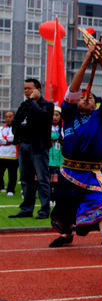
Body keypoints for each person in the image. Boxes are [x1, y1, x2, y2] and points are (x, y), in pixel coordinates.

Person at [49, 42, 102, 252]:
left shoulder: (100, 116)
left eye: (91, 98)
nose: (86, 97)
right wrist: (87, 60)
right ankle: (66, 233)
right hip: (68, 172)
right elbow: (73, 90)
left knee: (100, 207)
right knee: (63, 208)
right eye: (83, 96)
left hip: (92, 173)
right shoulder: (69, 116)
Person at [10, 78, 54, 219]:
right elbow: (16, 123)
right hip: (24, 145)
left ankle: (44, 209)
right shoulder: (24, 105)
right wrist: (22, 131)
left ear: (37, 90)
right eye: (25, 89)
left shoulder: (47, 105)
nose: (27, 91)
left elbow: (41, 117)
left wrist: (34, 101)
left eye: (30, 88)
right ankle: (26, 208)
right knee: (25, 178)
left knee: (42, 178)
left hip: (38, 147)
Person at [0, 111, 18, 196]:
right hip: (2, 154)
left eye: (10, 117)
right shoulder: (1, 128)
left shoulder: (16, 128)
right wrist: (8, 140)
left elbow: (14, 139)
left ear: (13, 117)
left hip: (13, 154)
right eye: (6, 117)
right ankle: (1, 187)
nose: (8, 119)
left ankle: (11, 189)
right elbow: (1, 140)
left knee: (12, 174)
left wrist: (6, 139)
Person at [48, 108, 63, 186]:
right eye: (53, 115)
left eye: (57, 115)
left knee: (58, 180)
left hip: (59, 156)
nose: (54, 117)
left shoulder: (62, 129)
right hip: (49, 155)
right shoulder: (47, 129)